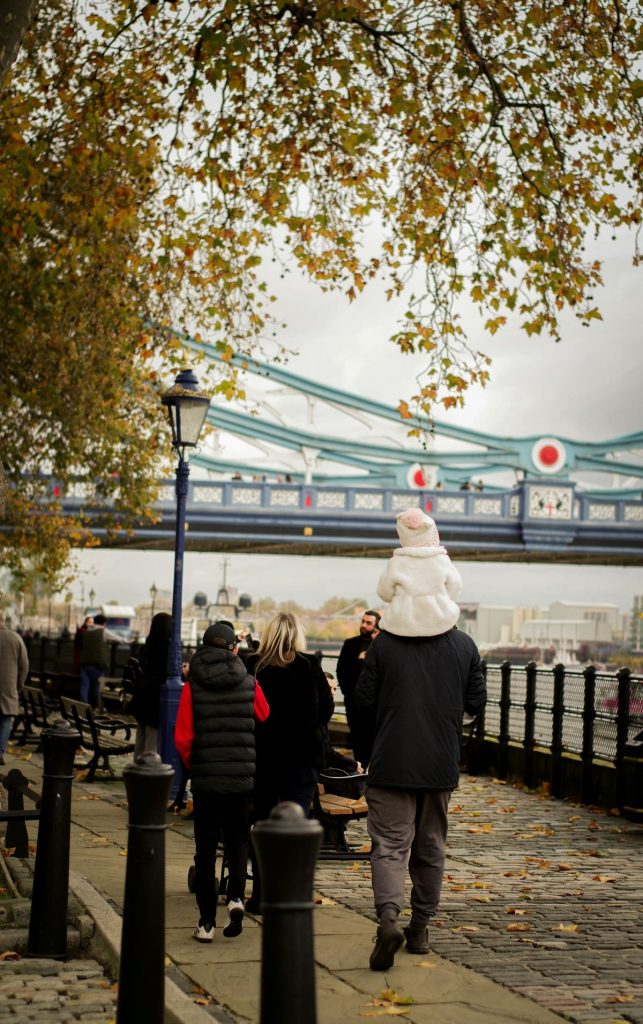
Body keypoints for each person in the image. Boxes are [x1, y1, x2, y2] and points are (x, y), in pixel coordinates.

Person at [354, 515, 486, 973]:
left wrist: (373, 742)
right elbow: (475, 703)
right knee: (431, 846)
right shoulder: (465, 647)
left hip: (390, 760)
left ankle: (388, 918)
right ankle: (421, 927)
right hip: (439, 764)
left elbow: (364, 702)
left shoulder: (385, 646)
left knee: (389, 845)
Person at [175, 622, 269, 943]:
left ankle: (205, 923)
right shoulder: (249, 683)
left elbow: (183, 738)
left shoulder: (191, 688)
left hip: (206, 780)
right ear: (233, 649)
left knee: (205, 849)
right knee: (238, 839)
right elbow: (265, 714)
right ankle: (236, 899)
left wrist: (196, 764)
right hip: (241, 779)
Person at [246, 612, 334, 911]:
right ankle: (294, 892)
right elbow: (324, 710)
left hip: (263, 757)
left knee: (262, 824)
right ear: (298, 635)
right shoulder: (309, 666)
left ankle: (260, 894)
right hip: (301, 757)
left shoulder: (253, 666)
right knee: (299, 825)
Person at [376, 508, 462, 638]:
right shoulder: (442, 560)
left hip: (401, 624)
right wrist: (440, 597)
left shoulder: (396, 562)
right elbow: (455, 588)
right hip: (439, 621)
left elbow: (384, 593)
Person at [335, 610, 380, 765]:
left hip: (374, 704)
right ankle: (358, 767)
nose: (363, 625)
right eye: (363, 621)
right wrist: (348, 693)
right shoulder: (350, 644)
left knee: (371, 737)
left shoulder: (380, 646)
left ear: (376, 627)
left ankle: (370, 769)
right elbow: (341, 670)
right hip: (352, 700)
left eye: (368, 623)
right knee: (355, 736)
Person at [128, 612, 172, 758]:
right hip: (155, 701)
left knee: (141, 738)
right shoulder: (167, 650)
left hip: (142, 699)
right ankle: (147, 774)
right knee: (152, 743)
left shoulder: (147, 646)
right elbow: (166, 675)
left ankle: (137, 772)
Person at [0, 613, 29, 764]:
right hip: (8, 686)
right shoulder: (15, 638)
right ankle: (0, 751)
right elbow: (24, 666)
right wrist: (18, 685)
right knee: (6, 720)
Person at [78, 613, 119, 707]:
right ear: (103, 623)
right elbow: (117, 638)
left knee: (85, 686)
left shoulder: (87, 631)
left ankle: (83, 707)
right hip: (96, 664)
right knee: (97, 687)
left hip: (84, 662)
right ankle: (98, 707)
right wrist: (128, 641)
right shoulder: (102, 631)